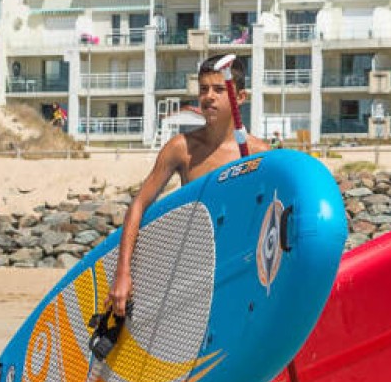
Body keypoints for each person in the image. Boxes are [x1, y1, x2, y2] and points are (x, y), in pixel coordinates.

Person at [107, 54, 270, 318]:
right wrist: (123, 273)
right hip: (192, 273)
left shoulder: (257, 154)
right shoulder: (181, 148)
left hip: (239, 271)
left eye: (219, 89)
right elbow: (139, 204)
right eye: (203, 89)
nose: (209, 97)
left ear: (241, 98)